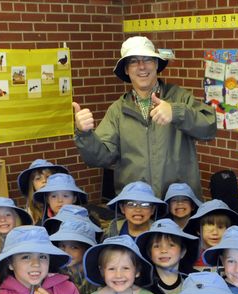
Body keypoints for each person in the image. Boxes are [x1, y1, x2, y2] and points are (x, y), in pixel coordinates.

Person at [73, 36, 217, 198]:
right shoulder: (118, 111)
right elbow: (101, 158)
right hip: (137, 207)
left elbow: (209, 128)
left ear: (156, 64)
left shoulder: (179, 98)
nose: (142, 66)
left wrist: (177, 112)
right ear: (126, 70)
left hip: (178, 206)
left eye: (147, 59)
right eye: (133, 61)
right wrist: (84, 134)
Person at [183, 199, 238, 269]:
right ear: (198, 231)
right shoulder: (188, 256)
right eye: (210, 228)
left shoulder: (235, 256)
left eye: (220, 227)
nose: (215, 232)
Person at [16, 159, 69, 225]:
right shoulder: (29, 213)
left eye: (48, 177)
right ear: (32, 184)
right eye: (38, 178)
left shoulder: (64, 201)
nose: (44, 181)